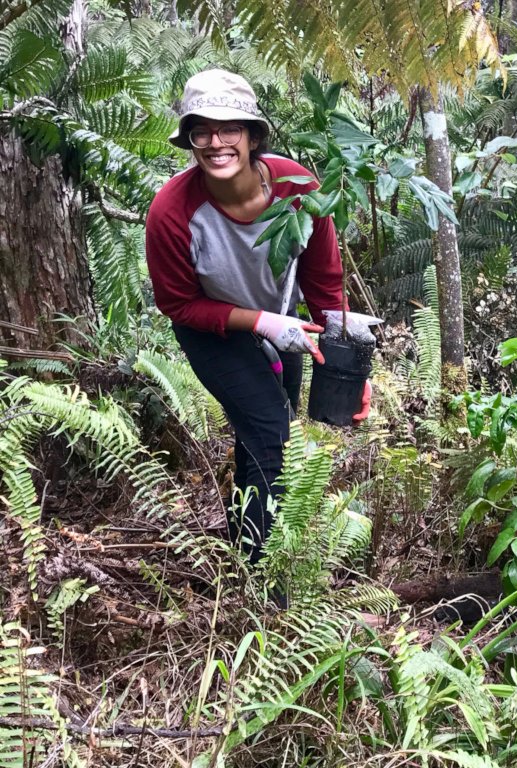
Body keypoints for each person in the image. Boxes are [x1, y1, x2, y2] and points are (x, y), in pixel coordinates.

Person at [145, 68, 350, 564]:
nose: (216, 142)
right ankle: (264, 580)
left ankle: (244, 548)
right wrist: (257, 323)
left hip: (287, 322)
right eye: (202, 131)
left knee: (262, 437)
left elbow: (323, 282)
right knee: (270, 433)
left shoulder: (299, 187)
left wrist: (347, 366)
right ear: (190, 140)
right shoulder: (171, 212)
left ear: (253, 136)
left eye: (229, 129)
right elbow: (178, 303)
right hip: (211, 330)